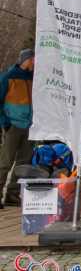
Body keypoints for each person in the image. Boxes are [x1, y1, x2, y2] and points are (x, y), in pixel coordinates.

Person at [0, 49, 35, 207]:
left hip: (29, 126)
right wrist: (5, 123)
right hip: (12, 125)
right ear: (26, 60)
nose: (34, 63)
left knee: (23, 162)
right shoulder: (8, 77)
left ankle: (12, 195)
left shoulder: (32, 78)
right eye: (33, 59)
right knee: (5, 162)